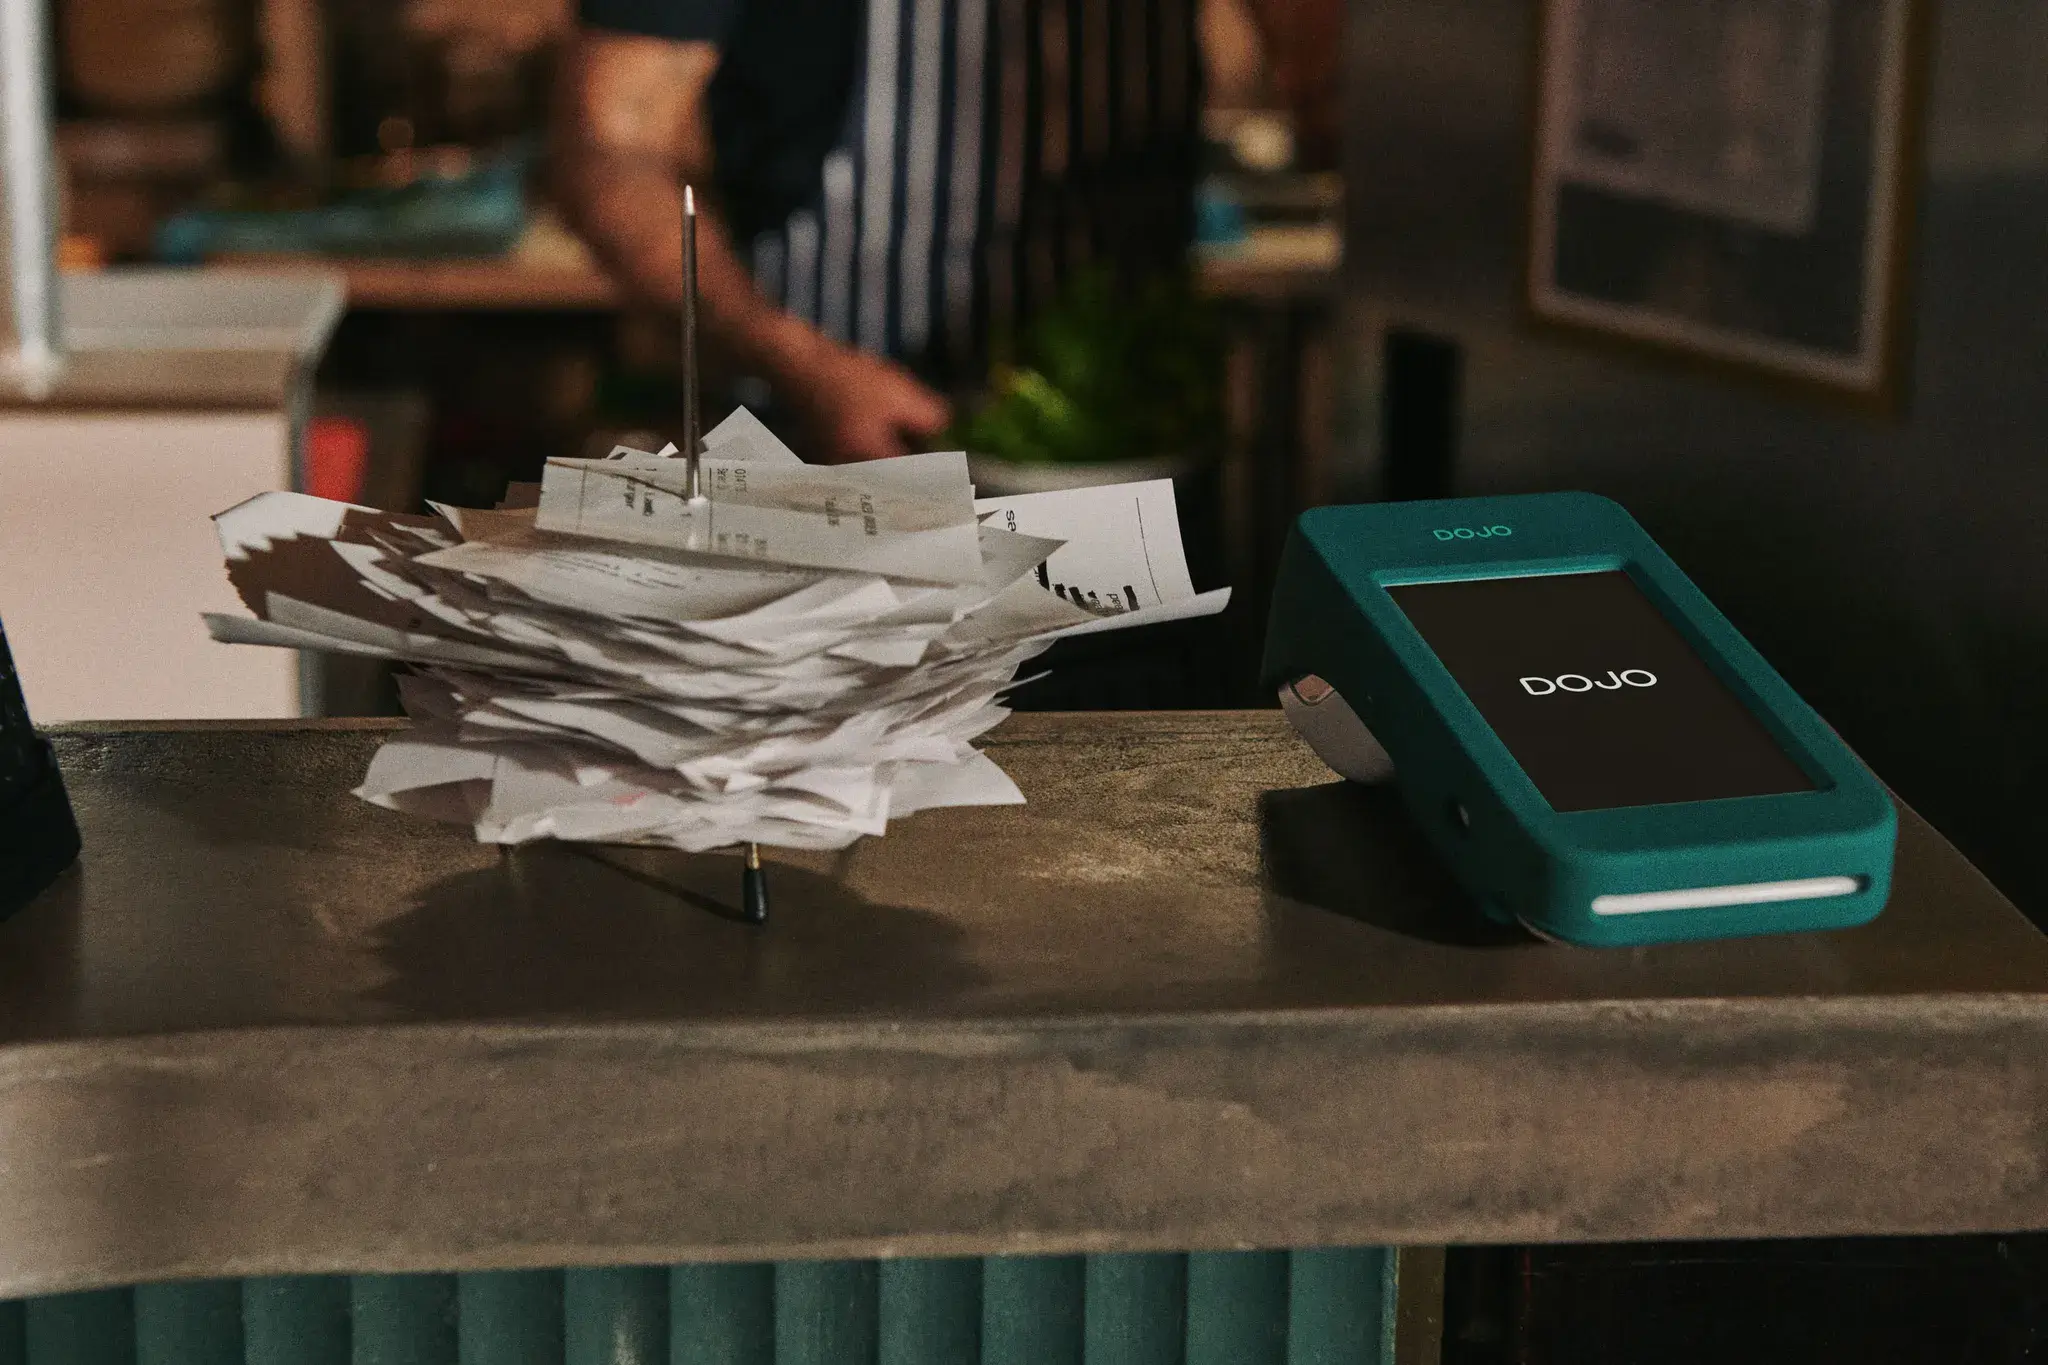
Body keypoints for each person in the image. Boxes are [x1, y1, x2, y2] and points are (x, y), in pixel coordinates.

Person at [553, 0, 1334, 463]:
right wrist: (797, 361)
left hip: (1127, 457)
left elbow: (1333, 75)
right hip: (820, 449)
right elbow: (608, 148)